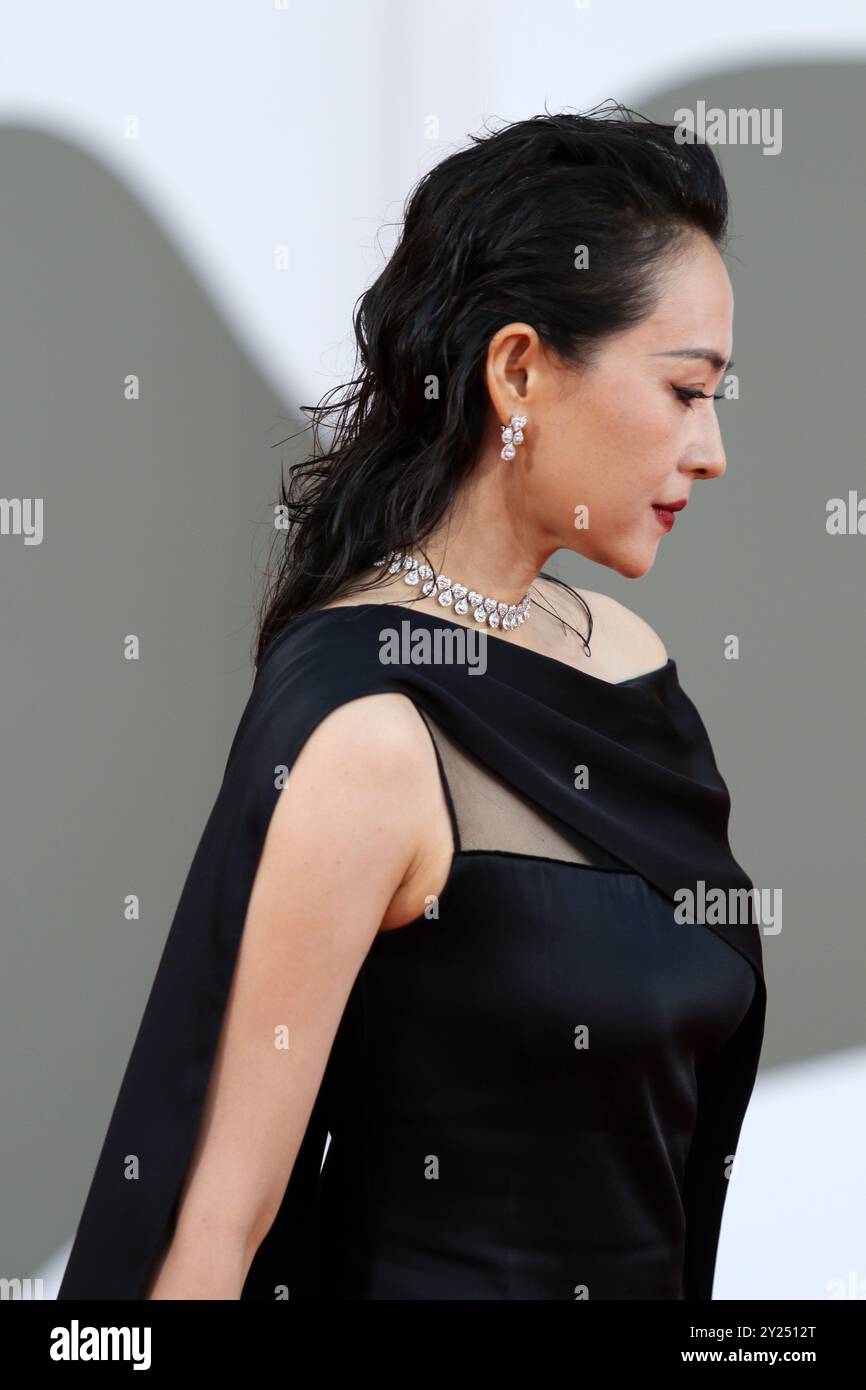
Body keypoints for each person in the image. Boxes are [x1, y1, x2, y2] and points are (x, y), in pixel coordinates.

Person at [57, 103, 766, 1302]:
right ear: (519, 369)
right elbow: (216, 1228)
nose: (710, 451)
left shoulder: (632, 668)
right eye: (685, 390)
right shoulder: (371, 734)